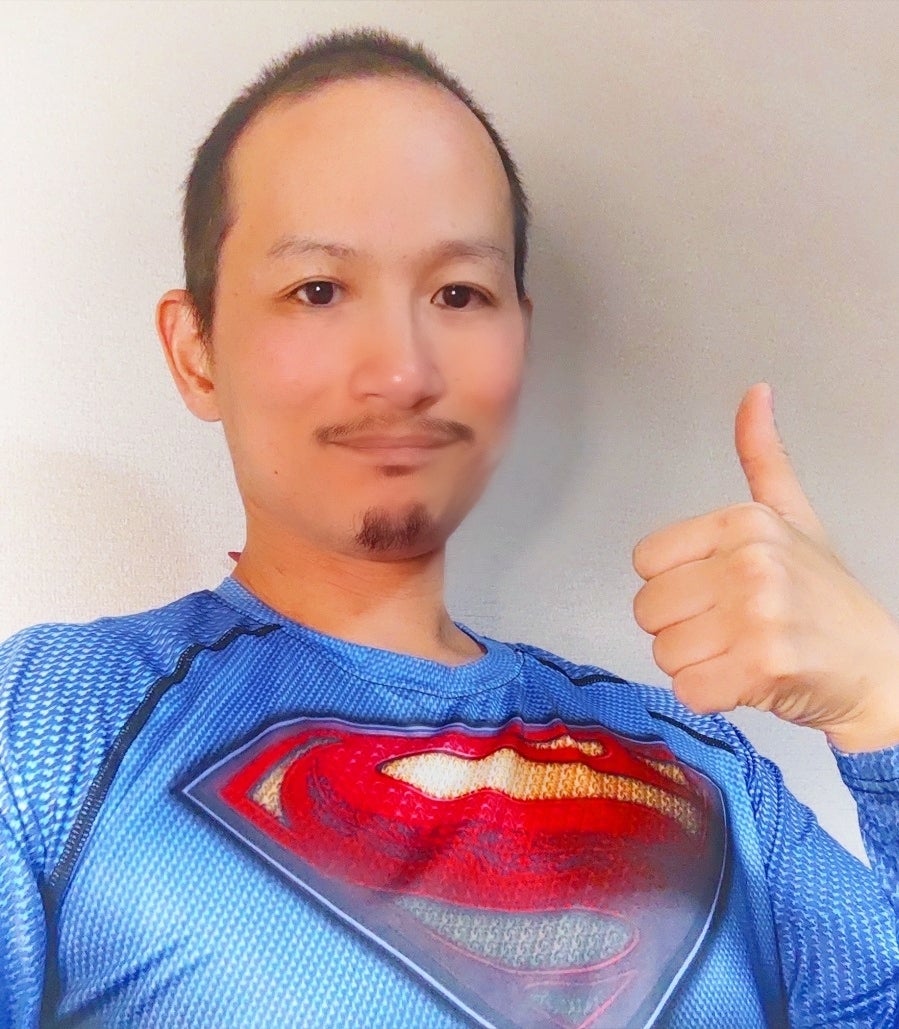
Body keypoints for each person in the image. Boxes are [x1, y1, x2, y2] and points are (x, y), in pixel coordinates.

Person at [2, 26, 898, 1029]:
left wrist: (881, 707)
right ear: (195, 349)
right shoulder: (48, 726)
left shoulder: (707, 771)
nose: (402, 371)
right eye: (317, 290)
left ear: (520, 333)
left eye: (458, 293)